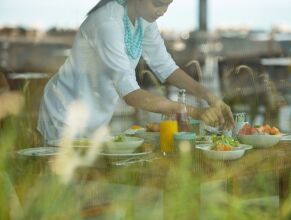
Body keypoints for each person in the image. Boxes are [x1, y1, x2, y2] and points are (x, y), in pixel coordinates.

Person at [38, 0, 235, 142]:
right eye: (157, 4)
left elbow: (165, 66)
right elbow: (131, 94)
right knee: (63, 189)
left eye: (168, 5)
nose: (162, 11)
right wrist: (192, 111)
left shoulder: (143, 21)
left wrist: (209, 96)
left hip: (95, 116)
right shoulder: (108, 24)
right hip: (64, 112)